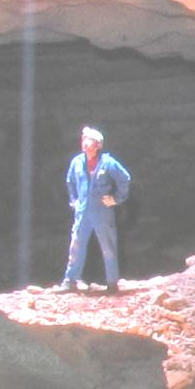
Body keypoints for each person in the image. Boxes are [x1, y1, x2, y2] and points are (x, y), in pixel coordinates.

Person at [60, 124, 131, 291]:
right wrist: (74, 201)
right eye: (84, 140)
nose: (85, 144)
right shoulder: (77, 162)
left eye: (89, 141)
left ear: (98, 145)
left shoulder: (108, 163)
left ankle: (112, 282)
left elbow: (125, 178)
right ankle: (70, 281)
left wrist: (116, 199)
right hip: (83, 211)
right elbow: (70, 181)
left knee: (108, 246)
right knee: (76, 245)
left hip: (102, 212)